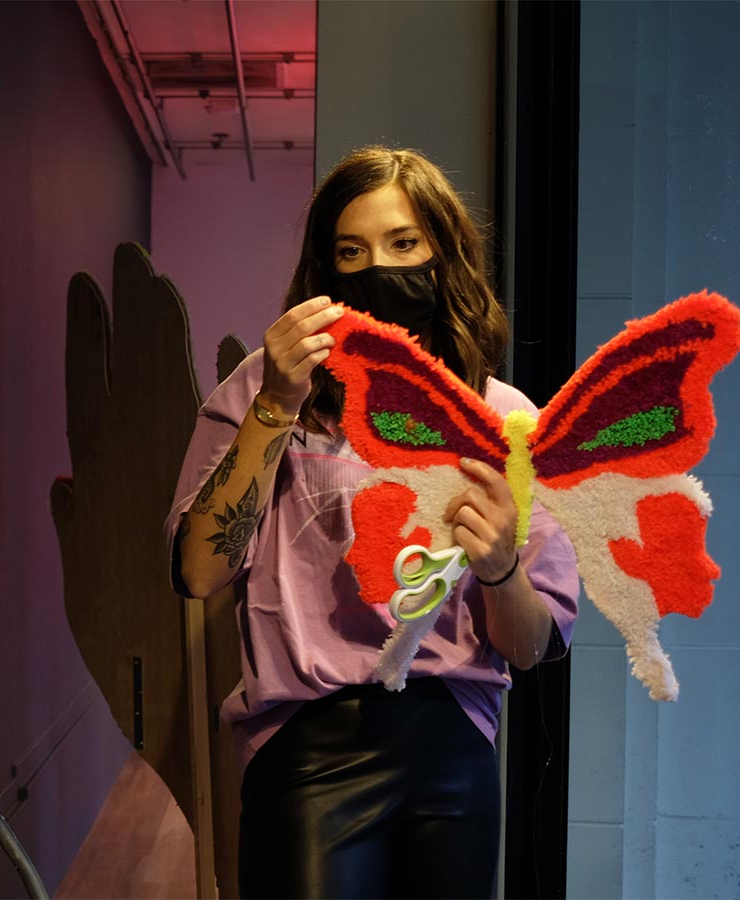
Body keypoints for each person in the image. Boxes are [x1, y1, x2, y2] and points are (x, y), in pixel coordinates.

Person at [164, 146, 579, 899]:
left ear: (444, 256)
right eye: (349, 251)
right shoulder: (270, 385)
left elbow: (531, 646)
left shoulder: (503, 418)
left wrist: (501, 569)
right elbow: (198, 570)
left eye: (403, 244)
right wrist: (278, 404)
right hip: (308, 745)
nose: (377, 269)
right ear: (324, 273)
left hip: (455, 744)